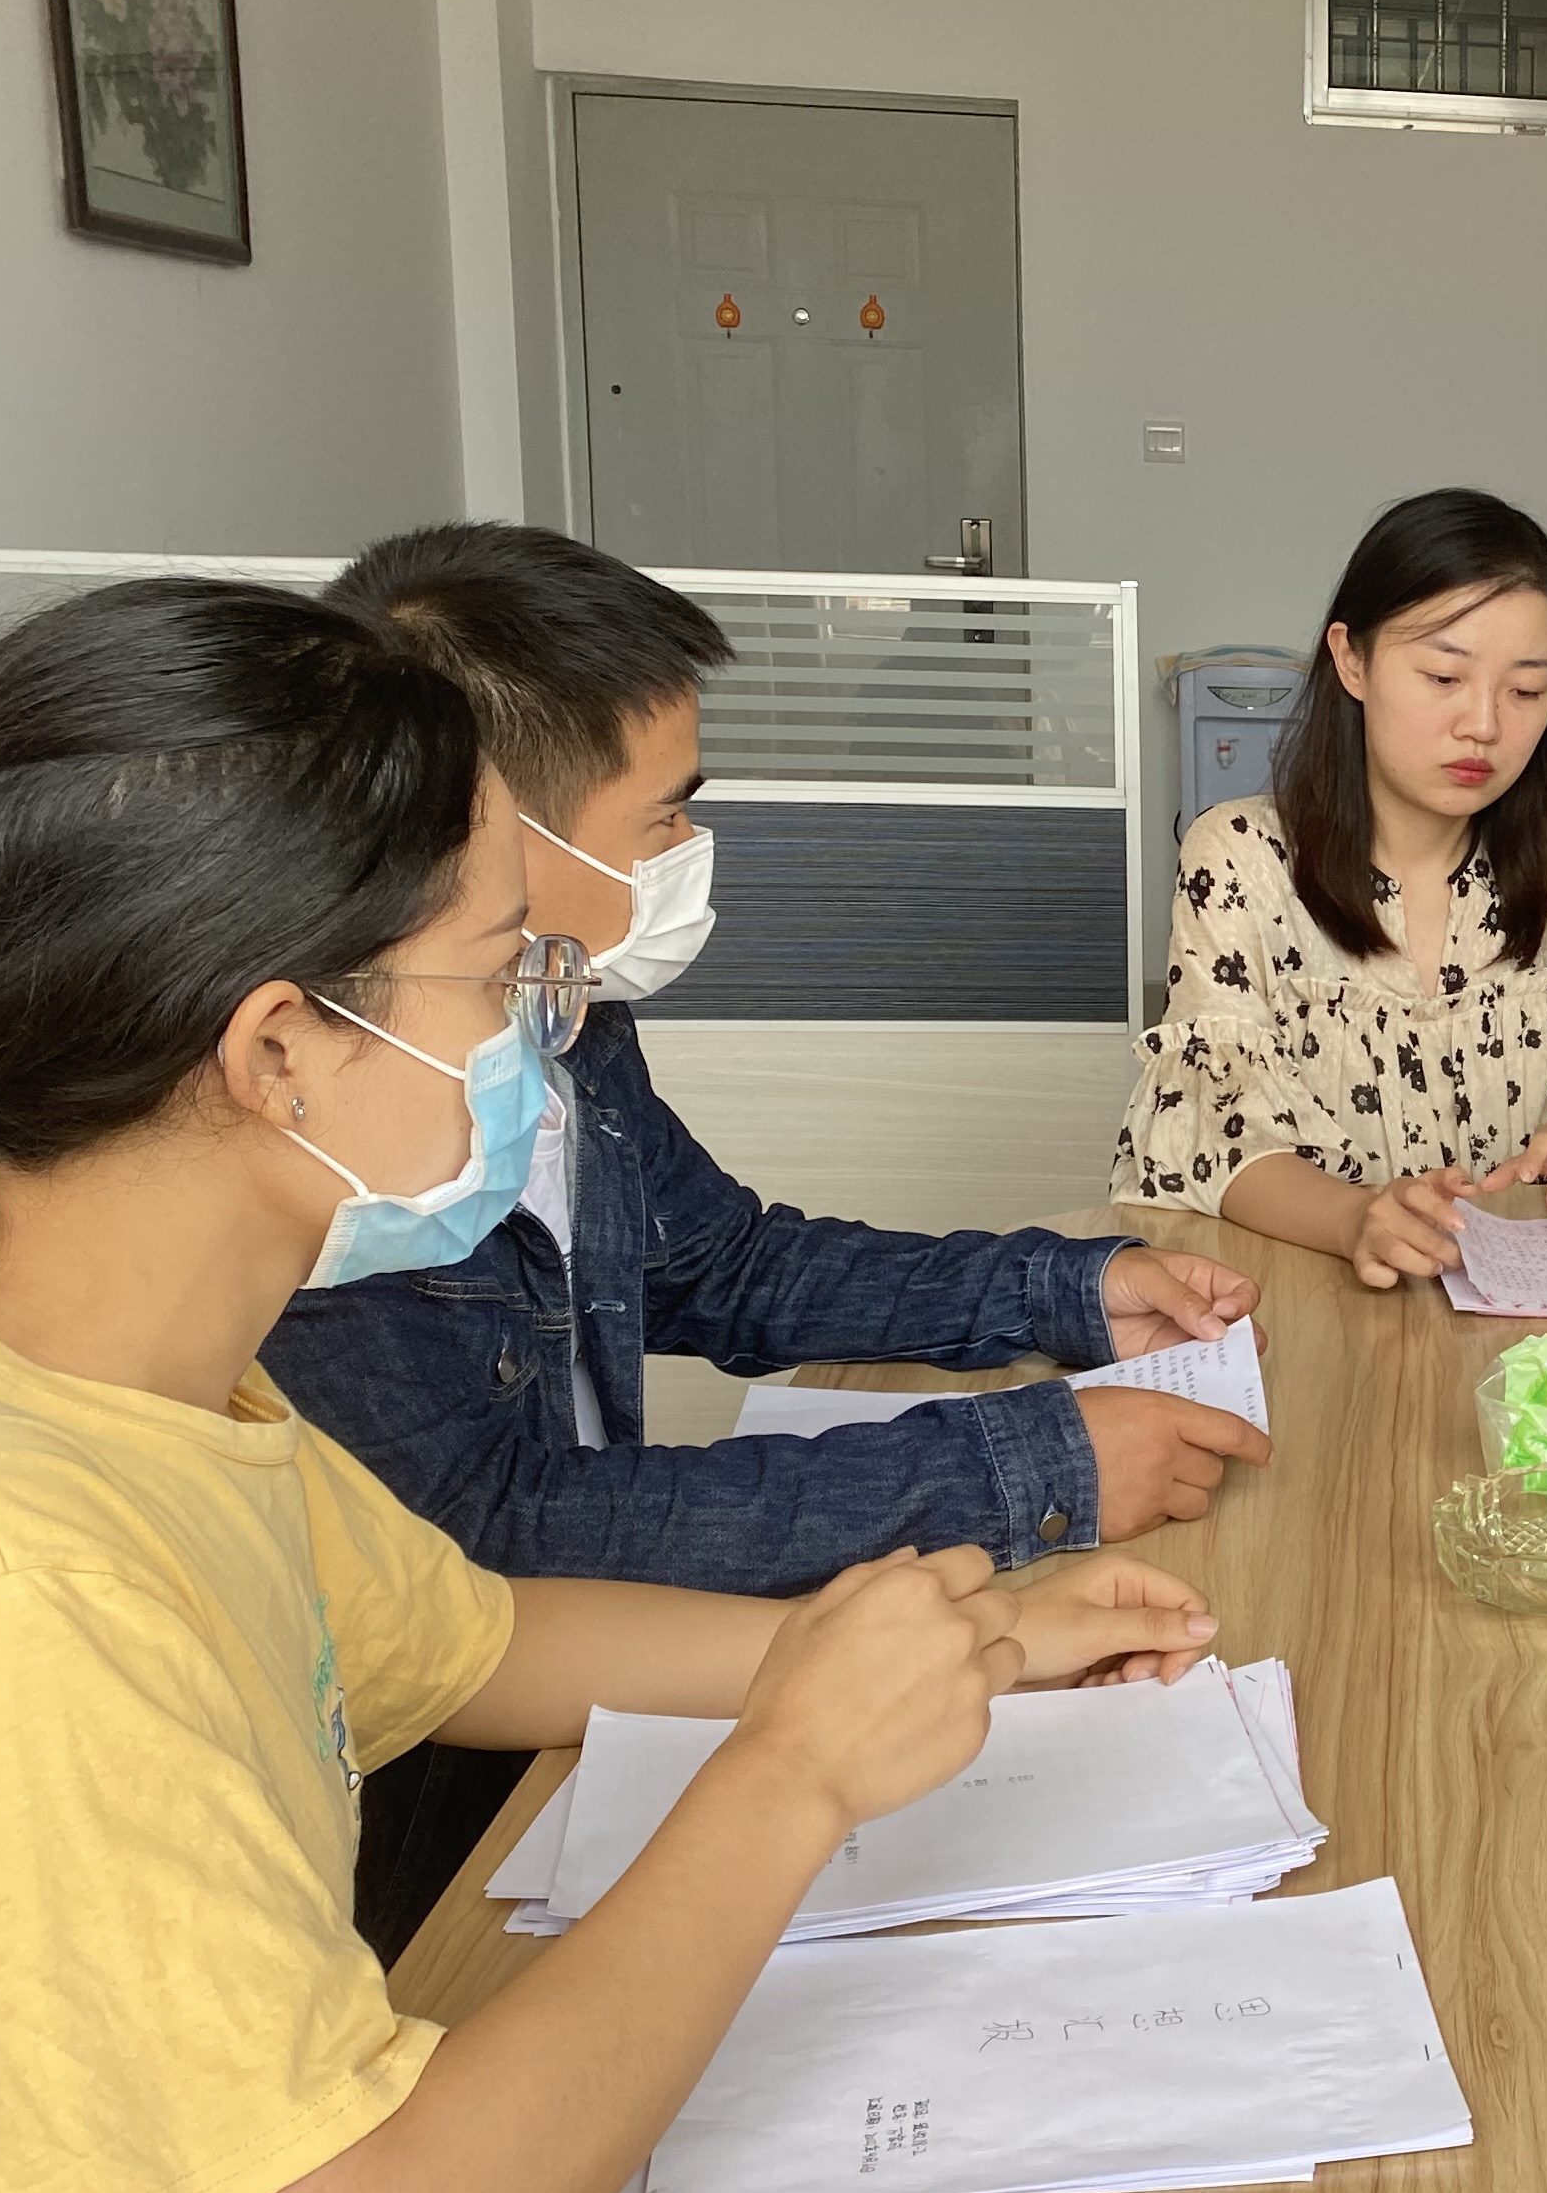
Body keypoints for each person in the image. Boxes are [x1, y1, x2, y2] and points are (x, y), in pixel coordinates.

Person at [0, 581, 1212, 2193]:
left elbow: (480, 1639)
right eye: (504, 974)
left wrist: (944, 1641)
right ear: (279, 1047)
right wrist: (797, 1772)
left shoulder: (141, 1383)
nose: (543, 1035)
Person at [267, 525, 1267, 1953]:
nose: (691, 852)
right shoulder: (347, 1147)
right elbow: (492, 1542)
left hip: (585, 1694)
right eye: (664, 816)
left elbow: (722, 1264)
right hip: (437, 1824)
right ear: (488, 835)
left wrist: (1060, 1288)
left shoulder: (557, 1022)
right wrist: (1023, 1465)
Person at [1111, 489, 1547, 1284]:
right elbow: (1207, 1127)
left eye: (1526, 690)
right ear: (1352, 660)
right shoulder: (1241, 857)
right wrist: (1354, 1219)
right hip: (1318, 1299)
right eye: (1444, 676)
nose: (1484, 724)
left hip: (1535, 1312)